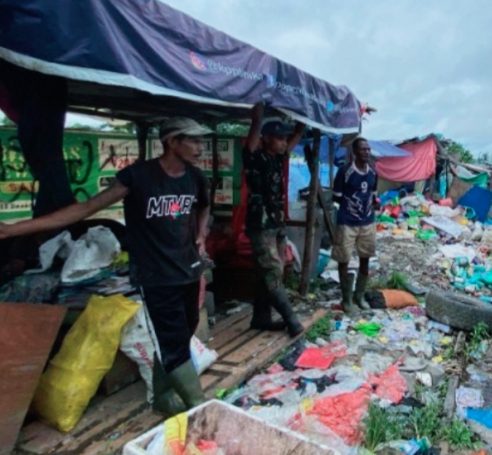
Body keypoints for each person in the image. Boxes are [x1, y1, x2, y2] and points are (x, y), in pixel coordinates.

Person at [0, 117, 213, 415]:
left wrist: (201, 235)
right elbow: (85, 209)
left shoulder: (195, 177)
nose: (200, 147)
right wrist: (12, 230)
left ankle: (163, 397)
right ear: (172, 141)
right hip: (155, 276)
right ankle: (201, 408)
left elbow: (204, 205)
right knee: (173, 341)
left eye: (201, 141)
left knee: (181, 334)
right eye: (193, 140)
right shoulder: (137, 177)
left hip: (188, 269)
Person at [243, 104, 306, 337]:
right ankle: (292, 320)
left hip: (276, 223)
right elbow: (250, 145)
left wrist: (303, 120)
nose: (283, 143)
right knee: (272, 270)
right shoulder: (255, 158)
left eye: (284, 139)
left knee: (269, 272)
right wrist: (256, 121)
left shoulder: (278, 159)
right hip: (260, 224)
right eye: (279, 138)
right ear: (266, 138)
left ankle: (261, 318)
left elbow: (294, 139)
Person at [332, 138, 379, 313]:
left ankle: (359, 295)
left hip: (367, 221)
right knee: (343, 259)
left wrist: (373, 206)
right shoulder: (345, 172)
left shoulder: (373, 173)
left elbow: (373, 196)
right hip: (347, 222)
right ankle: (347, 299)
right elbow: (337, 197)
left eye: (368, 149)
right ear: (354, 152)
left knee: (365, 257)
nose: (366, 152)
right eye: (363, 149)